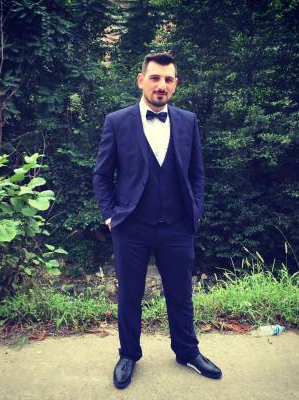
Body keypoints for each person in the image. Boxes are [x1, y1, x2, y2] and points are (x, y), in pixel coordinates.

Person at [93, 52, 222, 389]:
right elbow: (102, 175)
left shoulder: (188, 121)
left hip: (178, 226)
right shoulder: (117, 121)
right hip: (131, 227)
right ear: (141, 80)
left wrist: (195, 211)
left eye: (168, 79)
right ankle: (128, 354)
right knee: (129, 295)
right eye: (155, 78)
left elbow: (197, 174)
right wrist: (110, 216)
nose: (161, 85)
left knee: (181, 294)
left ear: (175, 84)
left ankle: (187, 351)